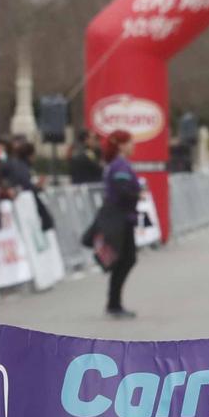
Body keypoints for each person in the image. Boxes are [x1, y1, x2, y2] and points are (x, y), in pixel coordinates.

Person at [91, 130, 141, 319]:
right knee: (125, 260)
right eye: (130, 142)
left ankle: (114, 302)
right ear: (121, 145)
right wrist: (137, 195)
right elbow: (122, 191)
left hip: (122, 217)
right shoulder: (120, 166)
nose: (133, 146)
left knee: (124, 260)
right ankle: (114, 303)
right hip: (121, 218)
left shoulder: (118, 164)